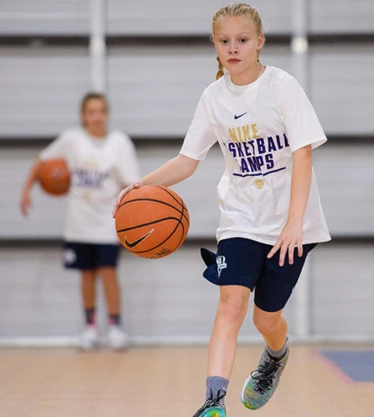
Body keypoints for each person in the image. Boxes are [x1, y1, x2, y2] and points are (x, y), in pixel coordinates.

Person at [114, 3, 330, 415]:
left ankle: (276, 355)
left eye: (242, 40)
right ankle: (213, 403)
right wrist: (140, 186)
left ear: (260, 42)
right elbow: (188, 160)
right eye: (224, 41)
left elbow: (304, 155)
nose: (233, 48)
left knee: (266, 320)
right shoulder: (213, 98)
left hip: (291, 224)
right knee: (231, 305)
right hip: (240, 219)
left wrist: (295, 222)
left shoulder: (282, 86)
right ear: (215, 45)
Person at [22, 92, 140, 351]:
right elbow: (42, 161)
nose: (96, 116)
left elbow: (131, 183)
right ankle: (89, 328)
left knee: (108, 273)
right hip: (78, 222)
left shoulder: (119, 142)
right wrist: (26, 190)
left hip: (107, 222)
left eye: (100, 111)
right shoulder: (71, 139)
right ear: (83, 116)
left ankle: (115, 327)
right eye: (91, 111)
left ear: (107, 114)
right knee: (86, 275)